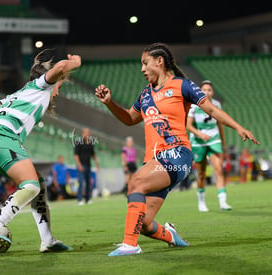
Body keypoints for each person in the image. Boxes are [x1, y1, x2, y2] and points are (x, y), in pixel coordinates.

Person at [95, 42, 259, 256]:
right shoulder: (145, 94)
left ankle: (130, 244)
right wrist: (109, 103)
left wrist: (238, 127)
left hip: (177, 154)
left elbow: (210, 108)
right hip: (154, 161)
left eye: (145, 63)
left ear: (159, 61)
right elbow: (129, 119)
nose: (142, 69)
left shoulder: (183, 85)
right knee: (143, 223)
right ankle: (171, 236)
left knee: (135, 181)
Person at [0, 50, 81, 253]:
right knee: (31, 186)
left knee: (37, 184)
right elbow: (60, 67)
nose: (58, 91)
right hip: (2, 136)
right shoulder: (42, 86)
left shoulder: (17, 95)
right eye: (59, 85)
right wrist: (76, 62)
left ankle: (47, 240)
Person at [186, 80, 232, 212]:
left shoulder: (216, 104)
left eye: (209, 90)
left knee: (219, 170)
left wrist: (222, 142)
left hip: (214, 140)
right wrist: (200, 134)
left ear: (212, 92)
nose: (207, 92)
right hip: (198, 142)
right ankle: (201, 202)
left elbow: (220, 124)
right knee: (201, 174)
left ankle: (223, 202)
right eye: (204, 90)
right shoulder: (193, 105)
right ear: (200, 91)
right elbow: (188, 126)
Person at [74, 127, 100, 205]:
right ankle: (79, 200)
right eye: (86, 133)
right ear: (83, 133)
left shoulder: (90, 143)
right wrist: (79, 165)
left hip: (88, 165)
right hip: (81, 165)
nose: (88, 134)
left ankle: (88, 199)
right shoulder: (79, 142)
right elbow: (76, 155)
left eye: (88, 133)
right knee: (81, 182)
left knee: (88, 183)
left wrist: (97, 164)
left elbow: (93, 154)